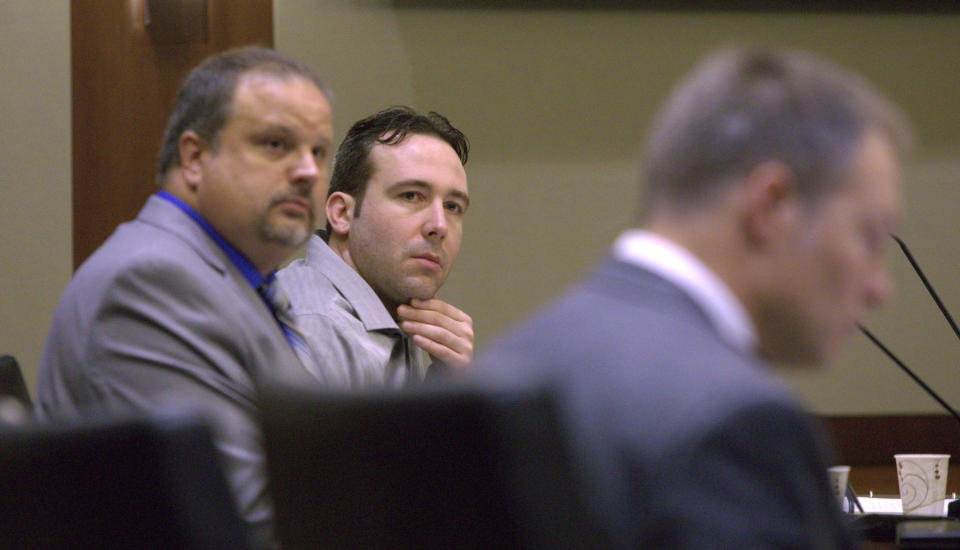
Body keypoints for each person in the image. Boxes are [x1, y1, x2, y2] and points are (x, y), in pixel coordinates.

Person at [475, 47, 911, 548]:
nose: (880, 288)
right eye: (870, 237)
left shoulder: (504, 367)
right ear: (772, 206)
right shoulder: (739, 422)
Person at [35, 46, 334, 546]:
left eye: (319, 152)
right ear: (195, 158)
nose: (307, 171)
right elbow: (242, 524)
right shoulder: (153, 282)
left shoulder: (237, 278)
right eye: (276, 144)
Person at [278, 106, 474, 388]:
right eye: (411, 196)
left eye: (453, 206)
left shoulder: (391, 313)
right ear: (342, 214)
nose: (439, 225)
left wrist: (448, 387)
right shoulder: (309, 327)